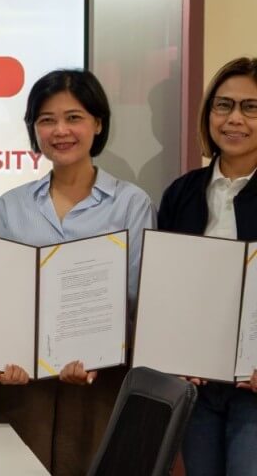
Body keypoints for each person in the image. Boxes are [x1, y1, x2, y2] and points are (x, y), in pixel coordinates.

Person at [0, 69, 155, 476]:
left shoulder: (131, 204)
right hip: (24, 382)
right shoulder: (11, 206)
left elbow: (138, 297)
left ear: (98, 123)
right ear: (34, 130)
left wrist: (98, 352)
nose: (61, 130)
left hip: (101, 382)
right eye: (46, 120)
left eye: (74, 117)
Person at [158, 56, 257, 476]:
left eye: (250, 107)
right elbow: (166, 288)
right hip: (196, 385)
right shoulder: (181, 193)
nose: (234, 119)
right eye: (223, 105)